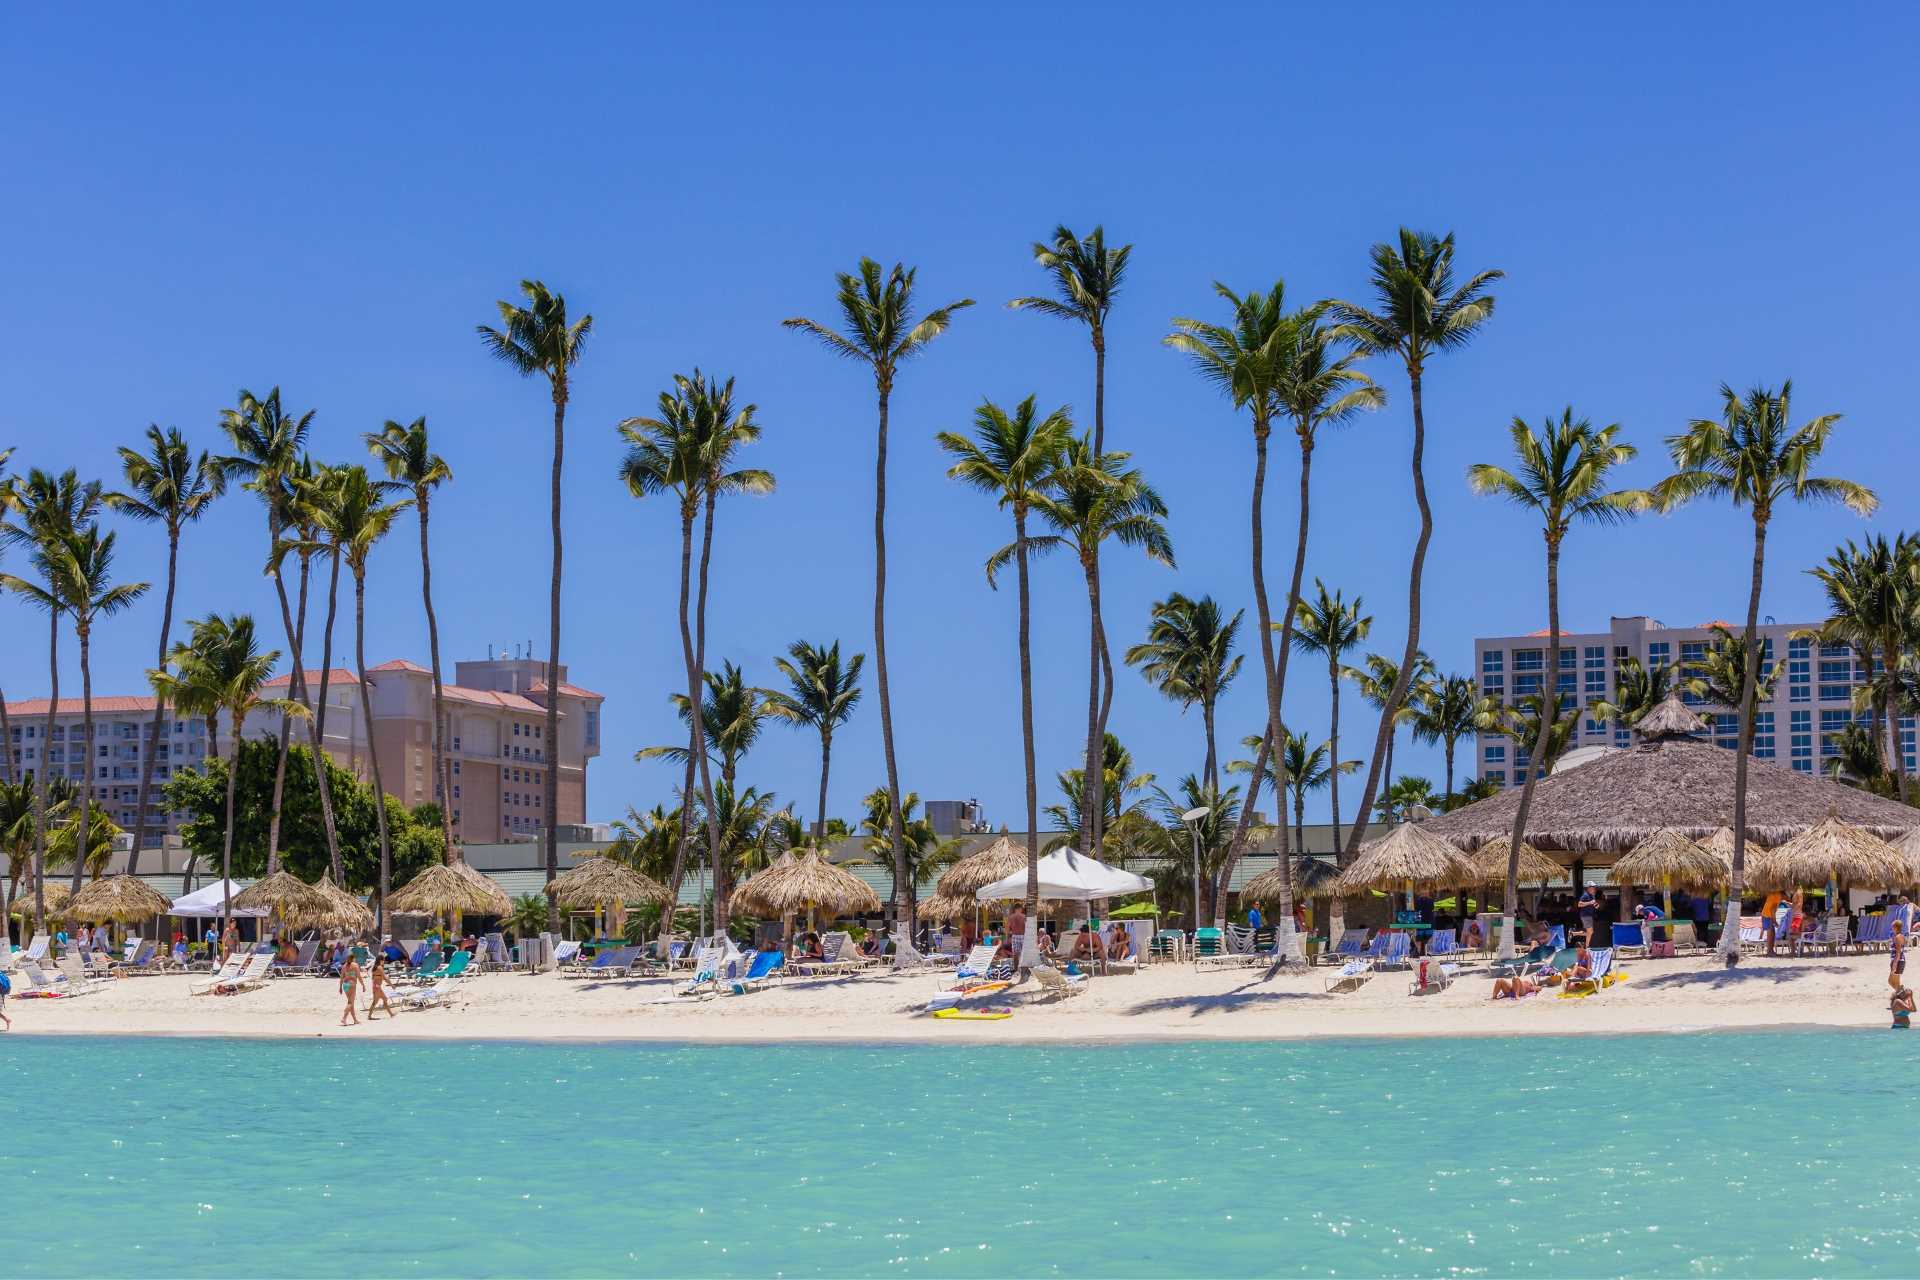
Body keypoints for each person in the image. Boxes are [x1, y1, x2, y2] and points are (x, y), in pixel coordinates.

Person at [366, 953, 395, 1021]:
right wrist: (392, 985)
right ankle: (369, 1016)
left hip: (376, 986)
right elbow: (385, 978)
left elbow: (374, 978)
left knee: (385, 999)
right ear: (380, 960)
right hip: (377, 987)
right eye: (383, 960)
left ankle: (391, 1014)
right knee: (375, 1002)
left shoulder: (375, 967)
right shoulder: (379, 967)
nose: (384, 962)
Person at [339, 951, 363, 1026]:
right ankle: (344, 1018)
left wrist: (340, 987)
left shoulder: (344, 966)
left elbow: (341, 977)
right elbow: (359, 976)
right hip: (352, 985)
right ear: (353, 958)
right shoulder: (355, 965)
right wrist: (363, 985)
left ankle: (355, 1020)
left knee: (350, 1002)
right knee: (350, 1003)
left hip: (345, 985)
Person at [1891, 919, 1908, 992]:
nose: (1892, 928)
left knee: (1892, 982)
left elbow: (1898, 952)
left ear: (1896, 927)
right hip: (1900, 961)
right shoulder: (1901, 936)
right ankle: (1901, 994)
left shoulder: (1897, 937)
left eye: (1892, 927)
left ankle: (1903, 994)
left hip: (1898, 961)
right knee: (1894, 982)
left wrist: (1894, 964)